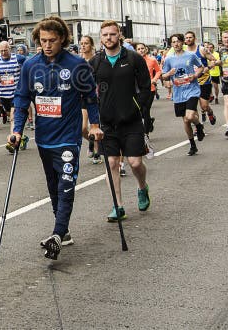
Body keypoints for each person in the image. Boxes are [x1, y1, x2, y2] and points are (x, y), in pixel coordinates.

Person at [9, 16, 102, 260]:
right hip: (44, 138)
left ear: (62, 39)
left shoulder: (77, 65)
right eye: (43, 41)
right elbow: (22, 99)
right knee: (53, 185)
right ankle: (64, 230)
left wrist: (94, 125)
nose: (47, 45)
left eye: (52, 40)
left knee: (66, 183)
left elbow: (90, 98)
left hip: (68, 137)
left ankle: (57, 234)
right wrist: (17, 130)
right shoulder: (30, 65)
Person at [92, 26, 152, 222]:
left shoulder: (133, 58)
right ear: (100, 38)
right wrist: (93, 117)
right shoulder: (96, 62)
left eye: (112, 34)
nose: (109, 38)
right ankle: (118, 206)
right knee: (111, 163)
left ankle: (142, 187)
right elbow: (87, 91)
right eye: (105, 35)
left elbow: (146, 87)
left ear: (119, 35)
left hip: (131, 120)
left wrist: (137, 107)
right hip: (107, 122)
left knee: (135, 163)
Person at [161, 33, 205, 156]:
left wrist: (195, 75)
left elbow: (201, 67)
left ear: (182, 42)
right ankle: (193, 145)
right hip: (178, 93)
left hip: (192, 89)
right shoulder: (169, 59)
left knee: (189, 116)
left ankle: (198, 125)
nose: (176, 44)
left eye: (178, 41)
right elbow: (163, 76)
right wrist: (169, 73)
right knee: (185, 121)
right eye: (173, 42)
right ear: (171, 44)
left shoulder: (190, 55)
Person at [0, 41, 26, 149]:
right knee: (10, 116)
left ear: (9, 48)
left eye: (5, 50)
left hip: (16, 93)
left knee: (13, 118)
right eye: (1, 51)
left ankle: (12, 141)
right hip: (3, 94)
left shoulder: (19, 58)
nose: (3, 53)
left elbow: (28, 67)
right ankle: (22, 137)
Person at [184, 31, 216, 126]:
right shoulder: (184, 51)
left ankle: (210, 112)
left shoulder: (202, 50)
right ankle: (197, 127)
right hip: (190, 83)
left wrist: (207, 68)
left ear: (195, 38)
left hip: (204, 81)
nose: (188, 39)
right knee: (192, 107)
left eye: (190, 37)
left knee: (204, 106)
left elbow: (214, 60)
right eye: (186, 38)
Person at [79, 35, 102, 164]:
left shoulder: (97, 60)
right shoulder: (77, 60)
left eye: (86, 43)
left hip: (95, 97)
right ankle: (91, 141)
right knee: (82, 128)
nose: (83, 45)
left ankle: (97, 152)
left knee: (95, 126)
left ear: (91, 45)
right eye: (81, 43)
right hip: (82, 97)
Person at [136, 42, 161, 144]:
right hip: (137, 90)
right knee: (140, 112)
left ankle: (145, 134)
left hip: (150, 89)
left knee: (146, 110)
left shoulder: (152, 60)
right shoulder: (133, 61)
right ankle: (149, 121)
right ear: (136, 51)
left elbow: (158, 71)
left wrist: (154, 79)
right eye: (138, 49)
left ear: (146, 49)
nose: (141, 50)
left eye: (142, 48)